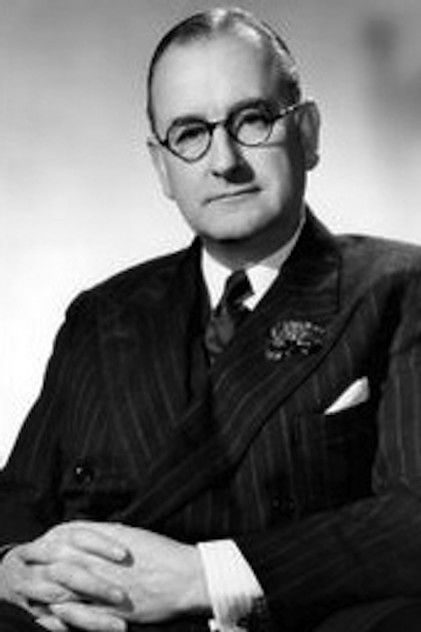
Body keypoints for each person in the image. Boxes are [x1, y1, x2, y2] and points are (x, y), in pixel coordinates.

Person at [1, 6, 421, 632]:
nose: (224, 160)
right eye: (190, 133)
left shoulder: (399, 288)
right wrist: (11, 566)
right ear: (162, 167)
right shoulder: (101, 315)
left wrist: (205, 577)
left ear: (308, 133)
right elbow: (17, 503)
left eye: (252, 120)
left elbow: (413, 519)